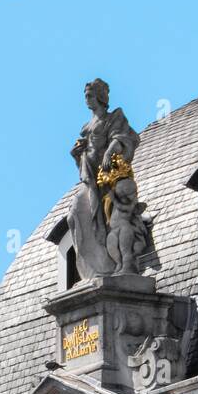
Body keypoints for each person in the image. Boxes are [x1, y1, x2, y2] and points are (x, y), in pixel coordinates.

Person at [67, 78, 141, 279]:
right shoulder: (86, 127)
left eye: (90, 95)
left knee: (114, 222)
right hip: (91, 180)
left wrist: (109, 151)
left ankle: (112, 265)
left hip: (108, 180)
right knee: (73, 215)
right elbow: (85, 160)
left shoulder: (113, 118)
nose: (86, 100)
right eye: (85, 96)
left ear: (100, 96)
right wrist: (77, 155)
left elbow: (123, 138)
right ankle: (92, 270)